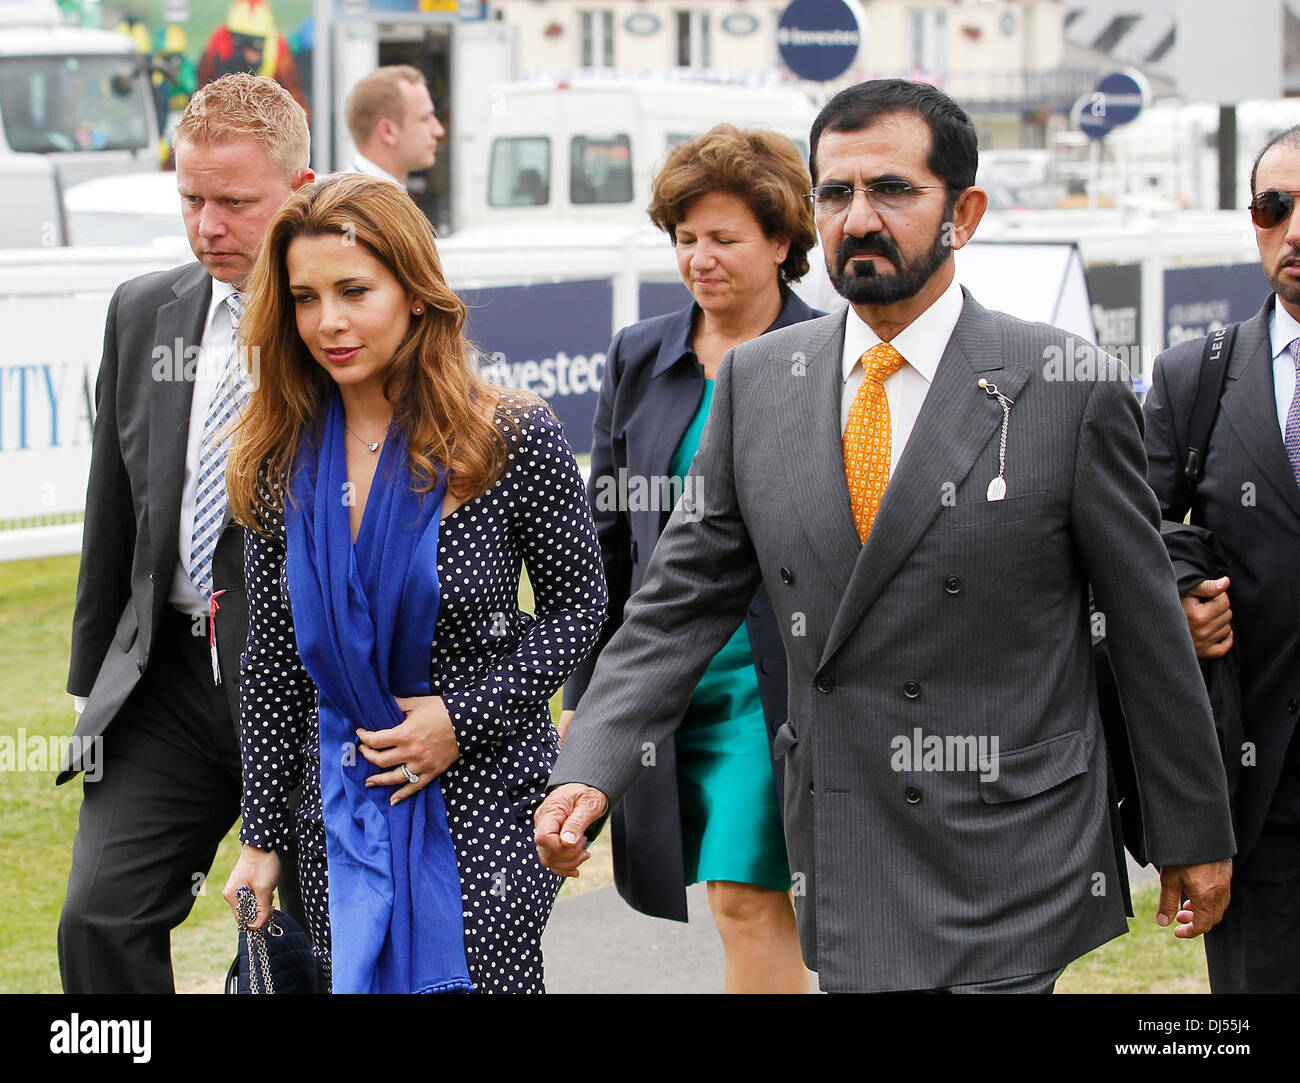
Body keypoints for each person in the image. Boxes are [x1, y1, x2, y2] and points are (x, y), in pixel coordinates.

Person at [537, 79, 1236, 994]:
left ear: (966, 212)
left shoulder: (1064, 386)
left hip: (1010, 847)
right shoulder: (760, 383)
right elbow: (677, 605)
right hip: (846, 839)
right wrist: (589, 764)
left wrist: (1192, 830)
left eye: (893, 191)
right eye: (836, 194)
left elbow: (1147, 628)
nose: (858, 219)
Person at [220, 173, 606, 993]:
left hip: (487, 798)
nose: (330, 321)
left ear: (416, 293)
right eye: (305, 296)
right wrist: (260, 834)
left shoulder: (510, 434)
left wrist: (458, 717)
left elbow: (579, 609)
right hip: (335, 806)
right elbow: (272, 663)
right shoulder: (273, 459)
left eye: (355, 290)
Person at [58, 73, 314, 993]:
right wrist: (92, 687)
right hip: (162, 681)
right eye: (192, 199)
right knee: (98, 918)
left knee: (296, 949)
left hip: (305, 687)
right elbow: (111, 518)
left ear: (301, 187)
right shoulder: (142, 310)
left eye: (236, 202)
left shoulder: (342, 321)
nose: (208, 224)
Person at [558, 124, 816, 994]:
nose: (699, 258)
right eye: (685, 238)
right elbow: (604, 546)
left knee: (746, 896)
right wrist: (589, 702)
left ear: (782, 243)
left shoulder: (833, 357)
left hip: (771, 682)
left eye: (724, 238)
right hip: (664, 681)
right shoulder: (640, 354)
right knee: (714, 892)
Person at [1144, 127, 1300, 994]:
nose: (1294, 231)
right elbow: (1135, 542)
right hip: (1260, 794)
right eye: (1274, 208)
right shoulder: (1191, 377)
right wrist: (1175, 601)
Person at [345, 65, 444, 188]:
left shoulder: (358, 198)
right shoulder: (354, 204)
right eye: (425, 119)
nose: (439, 131)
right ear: (388, 131)